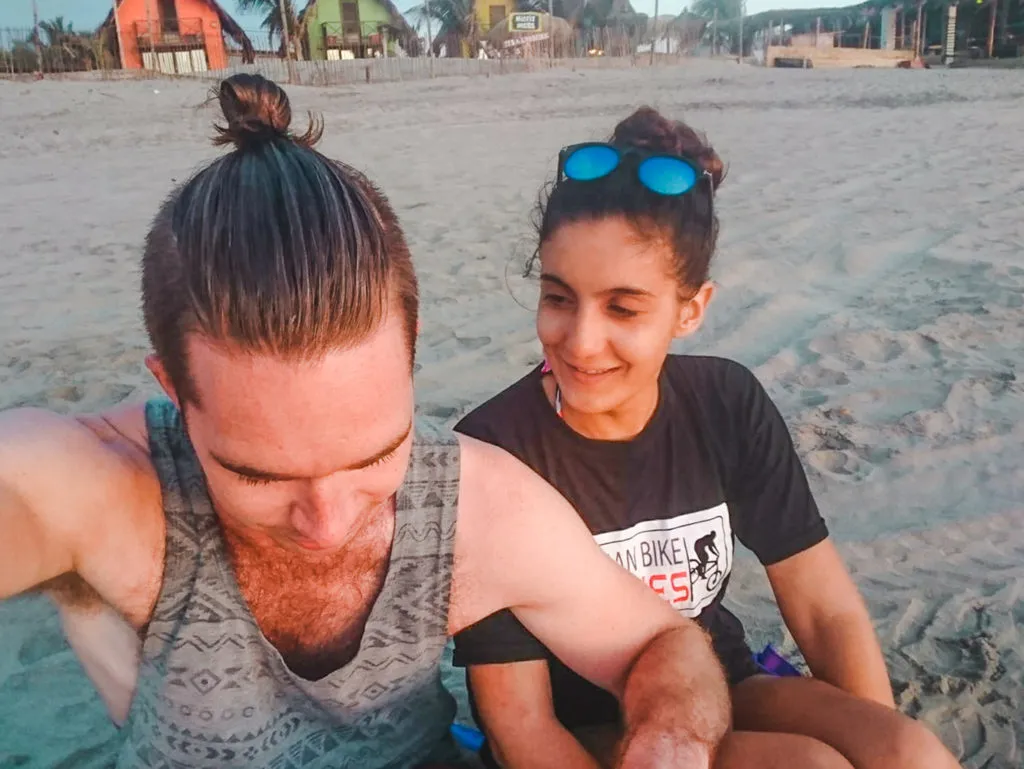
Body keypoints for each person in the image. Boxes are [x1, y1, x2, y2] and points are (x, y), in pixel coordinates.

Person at [0, 78, 731, 769]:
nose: (327, 521)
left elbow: (663, 642)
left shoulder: (473, 503)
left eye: (374, 456)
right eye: (258, 473)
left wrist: (668, 737)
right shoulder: (101, 487)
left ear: (410, 357)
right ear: (173, 389)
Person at [452, 107, 964, 769]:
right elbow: (522, 723)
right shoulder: (495, 452)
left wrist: (873, 731)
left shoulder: (725, 402)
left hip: (718, 683)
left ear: (691, 309)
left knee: (908, 751)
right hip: (582, 730)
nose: (579, 340)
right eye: (558, 297)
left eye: (624, 307)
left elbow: (822, 604)